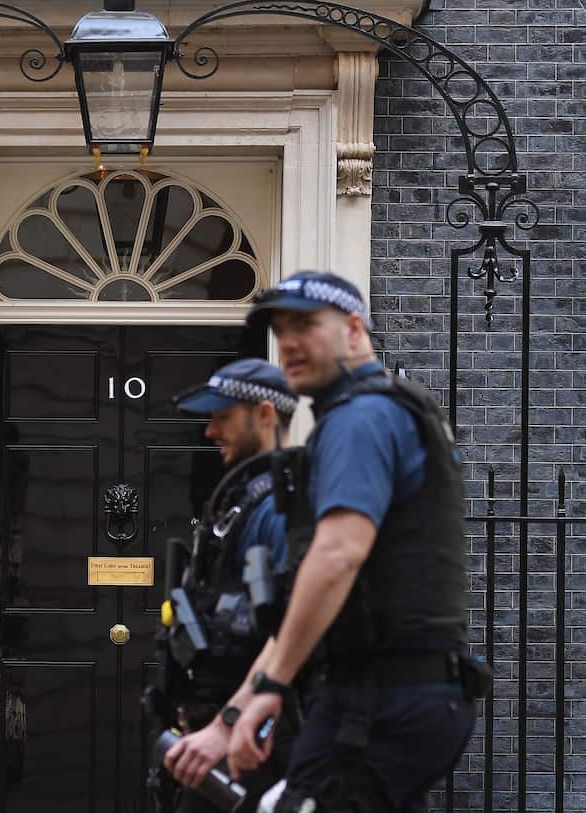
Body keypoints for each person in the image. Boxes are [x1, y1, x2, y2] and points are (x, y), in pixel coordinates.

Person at [224, 271, 482, 813]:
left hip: (380, 698)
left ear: (355, 329)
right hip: (414, 692)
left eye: (304, 324)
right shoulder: (391, 409)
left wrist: (272, 684)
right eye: (278, 328)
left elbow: (338, 555)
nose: (287, 342)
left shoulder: (359, 419)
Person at [155, 358, 299, 812]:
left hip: (254, 742)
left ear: (265, 414)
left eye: (223, 416)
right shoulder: (247, 503)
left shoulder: (280, 509)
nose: (210, 432)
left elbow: (293, 630)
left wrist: (230, 724)